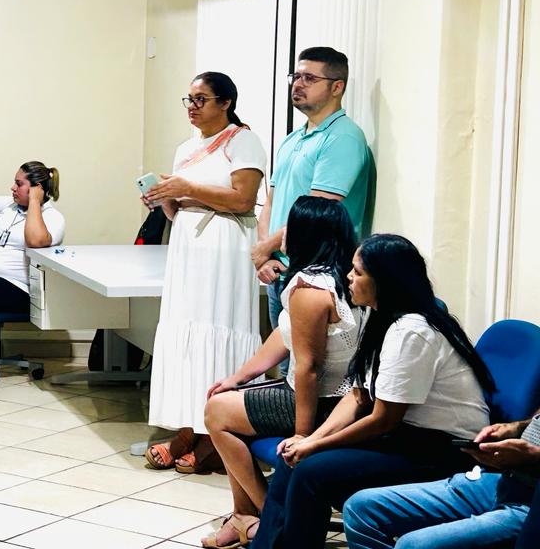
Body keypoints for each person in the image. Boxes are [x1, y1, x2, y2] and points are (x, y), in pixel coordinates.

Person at [250, 234, 497, 549]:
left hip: (444, 451)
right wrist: (309, 439)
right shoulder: (380, 319)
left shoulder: (412, 331)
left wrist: (316, 447)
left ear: (384, 280)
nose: (348, 277)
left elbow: (383, 420)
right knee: (292, 458)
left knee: (311, 471)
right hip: (408, 438)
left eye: (358, 272)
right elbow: (357, 397)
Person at [198, 196, 361, 548]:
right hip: (336, 396)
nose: (282, 234)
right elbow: (284, 335)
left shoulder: (309, 289)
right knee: (225, 398)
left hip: (324, 403)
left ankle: (274, 514)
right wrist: (238, 378)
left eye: (290, 225)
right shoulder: (338, 275)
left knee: (216, 413)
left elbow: (308, 370)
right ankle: (244, 516)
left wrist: (303, 436)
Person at [143, 71, 266, 473]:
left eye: (202, 99)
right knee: (186, 328)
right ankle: (187, 426)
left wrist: (188, 188)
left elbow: (244, 199)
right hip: (188, 244)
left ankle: (215, 431)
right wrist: (164, 198)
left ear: (225, 103)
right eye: (189, 99)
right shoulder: (185, 148)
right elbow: (180, 204)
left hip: (224, 246)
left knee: (217, 327)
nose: (193, 107)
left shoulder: (242, 139)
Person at [250, 47, 374, 373]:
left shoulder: (343, 138)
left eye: (309, 78)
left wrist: (264, 247)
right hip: (283, 267)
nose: (298, 84)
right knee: (287, 367)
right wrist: (268, 256)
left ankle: (302, 427)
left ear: (337, 87)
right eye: (296, 76)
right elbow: (272, 202)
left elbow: (317, 216)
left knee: (305, 370)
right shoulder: (293, 139)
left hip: (317, 274)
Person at [343, 405, 540, 548]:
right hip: (504, 480)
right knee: (361, 507)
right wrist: (513, 428)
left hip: (531, 502)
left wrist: (532, 458)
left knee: (412, 545)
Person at [0, 161, 65, 387]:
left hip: (20, 289)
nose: (13, 188)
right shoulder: (8, 206)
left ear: (36, 187)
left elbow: (36, 241)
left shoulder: (53, 217)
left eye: (19, 184)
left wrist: (35, 202)